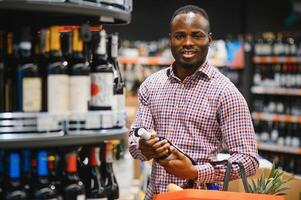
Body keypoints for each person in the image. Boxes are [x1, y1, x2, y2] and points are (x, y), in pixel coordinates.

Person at [128, 5, 259, 199]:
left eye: (196, 35)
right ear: (170, 39)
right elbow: (135, 140)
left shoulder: (226, 92)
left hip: (201, 196)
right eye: (180, 36)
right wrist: (143, 147)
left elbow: (248, 161)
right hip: (155, 195)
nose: (188, 42)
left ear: (209, 39)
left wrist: (195, 171)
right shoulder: (151, 85)